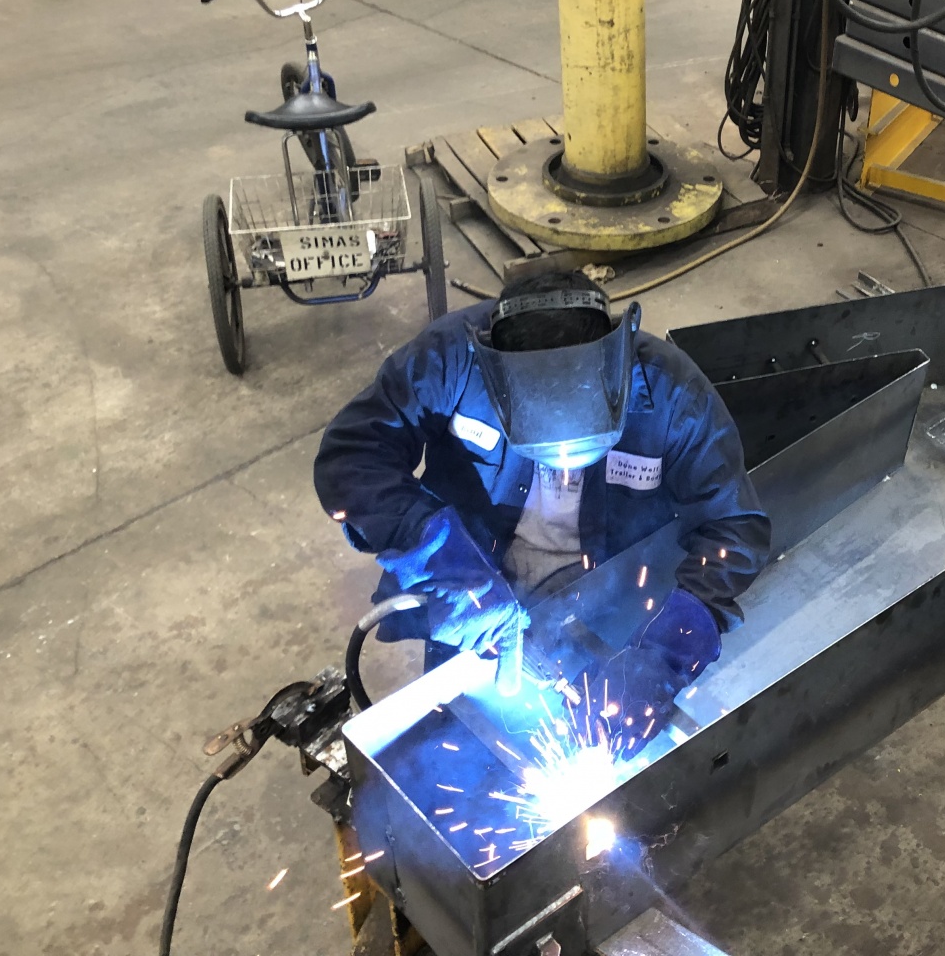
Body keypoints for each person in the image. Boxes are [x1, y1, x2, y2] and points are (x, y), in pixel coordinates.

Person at [314, 269, 770, 752]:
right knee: (458, 746)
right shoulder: (453, 359)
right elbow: (353, 455)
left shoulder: (671, 394)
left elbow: (733, 528)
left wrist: (664, 656)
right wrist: (441, 558)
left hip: (613, 614)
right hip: (479, 597)